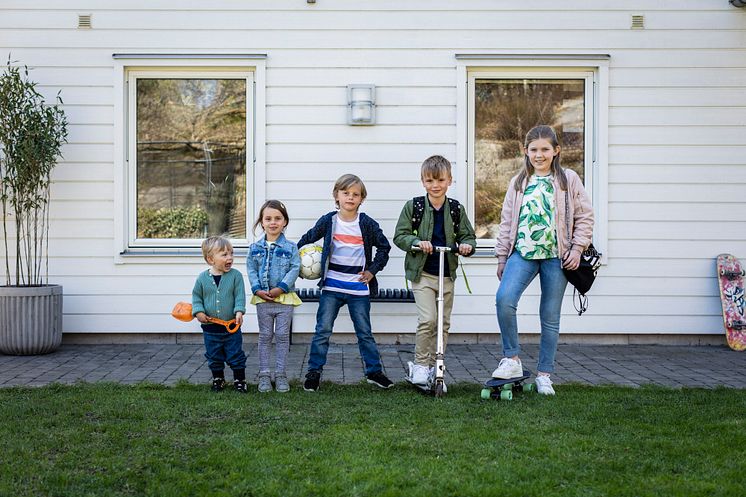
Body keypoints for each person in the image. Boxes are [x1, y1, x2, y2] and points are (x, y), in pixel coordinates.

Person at [491, 125, 594, 395]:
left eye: (545, 149)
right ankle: (511, 359)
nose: (539, 155)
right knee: (504, 299)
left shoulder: (568, 179)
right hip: (522, 254)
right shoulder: (518, 182)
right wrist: (502, 256)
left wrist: (576, 249)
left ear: (556, 151)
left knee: (549, 317)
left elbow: (584, 217)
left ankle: (544, 375)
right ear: (525, 151)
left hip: (555, 257)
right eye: (534, 149)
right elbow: (506, 222)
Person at [297, 174, 394, 392]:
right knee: (322, 330)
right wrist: (298, 266)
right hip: (331, 287)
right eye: (345, 193)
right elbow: (306, 240)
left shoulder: (366, 223)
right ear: (336, 196)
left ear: (361, 199)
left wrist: (372, 270)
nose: (350, 197)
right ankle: (314, 372)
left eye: (355, 194)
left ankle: (374, 372)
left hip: (358, 288)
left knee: (364, 332)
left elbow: (384, 248)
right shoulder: (329, 221)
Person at [393, 155, 476, 391]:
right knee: (428, 319)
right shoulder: (415, 207)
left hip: (446, 273)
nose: (435, 185)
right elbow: (400, 236)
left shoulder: (455, 209)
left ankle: (435, 365)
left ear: (449, 180)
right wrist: (418, 242)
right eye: (430, 180)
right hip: (423, 274)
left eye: (440, 180)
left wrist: (467, 246)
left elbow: (468, 236)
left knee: (443, 323)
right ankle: (420, 364)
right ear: (422, 181)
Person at [246, 200, 301, 393]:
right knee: (265, 336)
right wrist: (256, 289)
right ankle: (264, 375)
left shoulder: (291, 247)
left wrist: (281, 288)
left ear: (285, 221)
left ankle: (280, 375)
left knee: (282, 336)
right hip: (263, 299)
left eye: (278, 218)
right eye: (268, 218)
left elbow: (295, 268)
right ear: (262, 222)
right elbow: (251, 269)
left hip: (284, 299)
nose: (273, 222)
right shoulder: (255, 248)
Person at [192, 235, 247, 393]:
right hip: (210, 329)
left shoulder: (235, 276)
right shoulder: (202, 278)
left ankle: (239, 380)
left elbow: (239, 296)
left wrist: (239, 311)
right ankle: (218, 378)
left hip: (231, 327)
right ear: (210, 259)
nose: (230, 257)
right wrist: (199, 312)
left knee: (235, 354)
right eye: (224, 254)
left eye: (231, 253)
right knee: (214, 355)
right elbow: (197, 298)